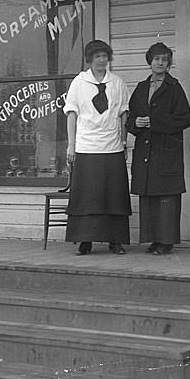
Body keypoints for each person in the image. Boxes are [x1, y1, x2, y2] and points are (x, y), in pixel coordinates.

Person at [63, 40, 131, 255]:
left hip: (111, 147)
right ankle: (85, 241)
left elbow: (123, 114)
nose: (102, 60)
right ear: (90, 59)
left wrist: (124, 141)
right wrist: (71, 145)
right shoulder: (79, 82)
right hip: (86, 147)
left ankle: (115, 241)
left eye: (105, 56)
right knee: (88, 195)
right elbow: (72, 114)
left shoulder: (117, 83)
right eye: (97, 56)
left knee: (114, 195)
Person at [127, 42, 190, 255]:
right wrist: (136, 124)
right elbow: (130, 120)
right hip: (145, 150)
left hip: (166, 150)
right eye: (157, 59)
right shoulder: (140, 88)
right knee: (149, 196)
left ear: (169, 63)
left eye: (164, 59)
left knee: (167, 196)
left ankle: (167, 241)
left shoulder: (174, 88)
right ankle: (153, 239)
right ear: (150, 61)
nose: (160, 63)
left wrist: (155, 122)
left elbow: (185, 119)